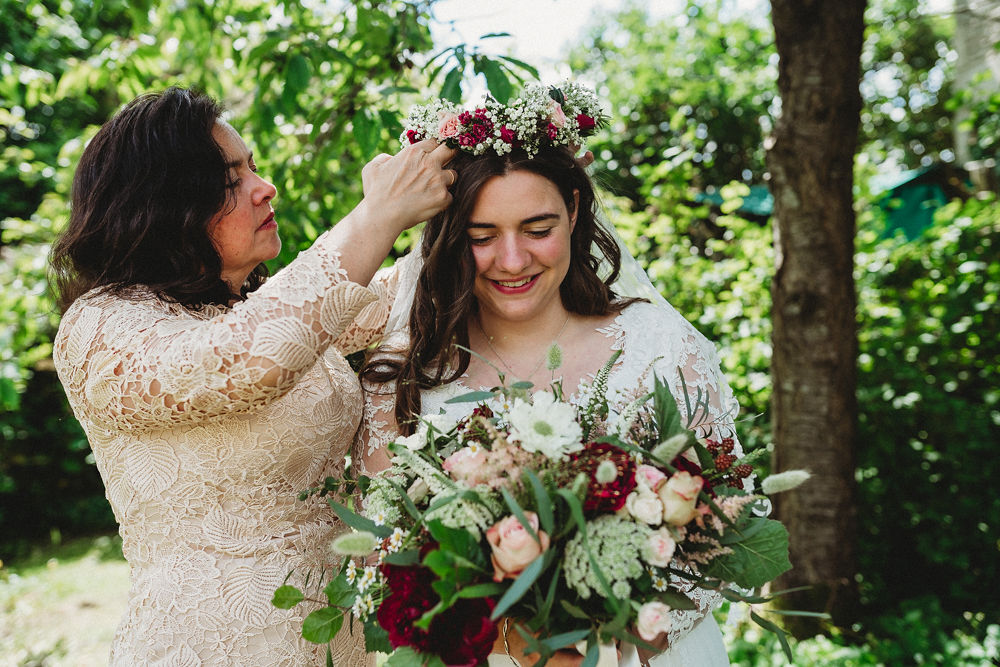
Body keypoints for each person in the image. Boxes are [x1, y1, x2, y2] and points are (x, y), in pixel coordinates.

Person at [50, 86, 455, 666]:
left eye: (254, 168)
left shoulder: (261, 305)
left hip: (335, 641)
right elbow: (243, 363)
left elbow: (409, 300)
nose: (265, 188)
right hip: (208, 646)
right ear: (163, 205)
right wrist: (378, 213)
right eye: (230, 180)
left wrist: (486, 164)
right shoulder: (101, 327)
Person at [358, 83, 739, 666]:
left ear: (576, 212)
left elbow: (723, 528)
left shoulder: (661, 351)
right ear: (448, 237)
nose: (512, 260)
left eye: (538, 229)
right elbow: (382, 552)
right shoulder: (404, 374)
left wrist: (607, 630)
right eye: (481, 237)